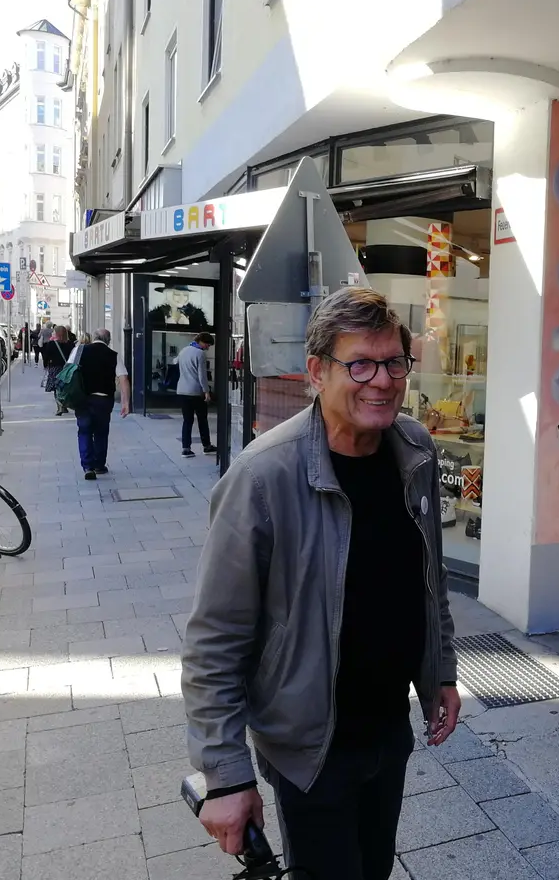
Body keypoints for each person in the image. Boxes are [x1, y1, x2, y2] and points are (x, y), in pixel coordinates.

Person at [182, 286, 461, 880]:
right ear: (317, 371)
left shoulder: (415, 449)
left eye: (393, 362)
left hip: (389, 727)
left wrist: (441, 672)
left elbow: (428, 576)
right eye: (359, 363)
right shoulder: (262, 477)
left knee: (374, 870)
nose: (381, 381)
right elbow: (214, 641)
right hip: (309, 742)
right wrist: (226, 775)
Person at [73, 328, 129, 480]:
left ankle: (87, 466)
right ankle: (99, 465)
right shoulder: (113, 355)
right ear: (108, 340)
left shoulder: (80, 350)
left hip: (83, 398)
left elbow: (69, 370)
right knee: (101, 432)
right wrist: (126, 403)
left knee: (84, 431)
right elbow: (123, 379)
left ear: (93, 338)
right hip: (104, 400)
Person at [176, 332, 217, 458]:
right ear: (202, 342)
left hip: (182, 390)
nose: (208, 347)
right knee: (202, 419)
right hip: (195, 391)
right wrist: (206, 392)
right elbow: (202, 375)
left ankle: (186, 448)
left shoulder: (183, 351)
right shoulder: (200, 354)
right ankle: (207, 446)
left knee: (187, 420)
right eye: (207, 344)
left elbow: (176, 363)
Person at [41, 325, 74, 415]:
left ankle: (59, 406)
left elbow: (46, 356)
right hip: (67, 369)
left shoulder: (51, 344)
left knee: (57, 387)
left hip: (54, 368)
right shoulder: (70, 344)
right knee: (65, 387)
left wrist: (45, 365)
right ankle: (64, 405)